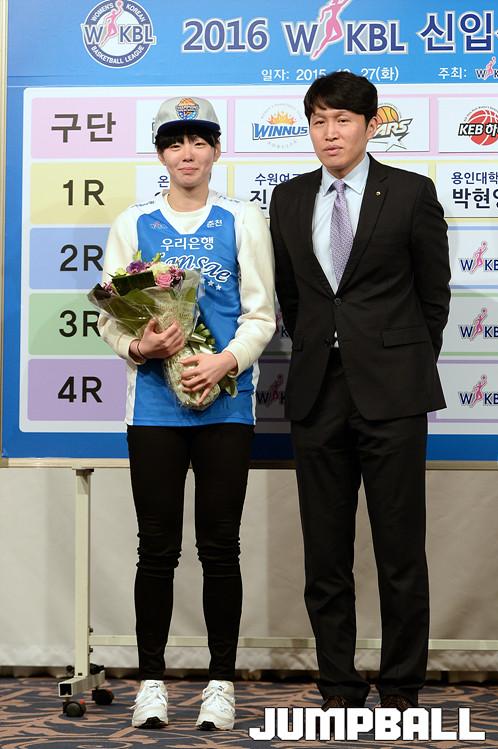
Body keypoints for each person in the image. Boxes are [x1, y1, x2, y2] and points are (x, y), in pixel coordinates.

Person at [269, 71, 450, 711]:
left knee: (400, 551)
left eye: (342, 120)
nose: (330, 133)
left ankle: (401, 687)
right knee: (325, 553)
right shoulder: (288, 198)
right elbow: (293, 297)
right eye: (318, 120)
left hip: (393, 395)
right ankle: (339, 686)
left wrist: (396, 360)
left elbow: (434, 296)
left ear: (371, 126)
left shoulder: (411, 192)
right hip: (317, 393)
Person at [98, 96, 275, 730]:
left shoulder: (242, 219)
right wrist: (139, 347)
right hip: (153, 409)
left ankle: (220, 684)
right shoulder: (134, 223)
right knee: (157, 549)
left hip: (226, 408)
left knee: (220, 548)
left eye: (200, 141)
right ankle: (152, 683)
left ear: (217, 150)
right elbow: (111, 314)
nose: (188, 153)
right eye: (175, 143)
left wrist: (225, 361)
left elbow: (261, 314)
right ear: (161, 154)